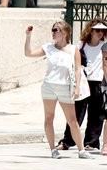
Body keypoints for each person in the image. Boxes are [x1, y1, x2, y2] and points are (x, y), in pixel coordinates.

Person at [24, 20, 90, 159]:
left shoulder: (73, 49)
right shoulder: (48, 47)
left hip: (65, 87)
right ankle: (53, 149)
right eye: (52, 30)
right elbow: (28, 53)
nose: (53, 32)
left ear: (64, 32)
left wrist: (77, 87)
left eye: (56, 30)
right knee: (49, 118)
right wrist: (28, 36)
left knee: (72, 120)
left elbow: (78, 69)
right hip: (48, 86)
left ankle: (81, 150)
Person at [56, 19, 107, 153]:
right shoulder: (81, 45)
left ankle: (91, 143)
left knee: (97, 115)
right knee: (76, 114)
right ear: (90, 30)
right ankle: (67, 141)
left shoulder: (105, 46)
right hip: (83, 82)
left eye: (103, 30)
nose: (100, 33)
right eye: (97, 30)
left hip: (98, 82)